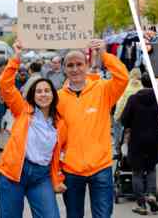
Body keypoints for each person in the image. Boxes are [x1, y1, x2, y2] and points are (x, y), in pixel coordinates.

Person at [57, 39, 129, 218]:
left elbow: (123, 77)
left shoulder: (103, 89)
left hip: (100, 167)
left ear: (87, 65)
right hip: (71, 169)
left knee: (103, 215)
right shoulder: (57, 98)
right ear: (64, 68)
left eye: (79, 64)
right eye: (70, 65)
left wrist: (104, 54)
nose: (75, 69)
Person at [0, 40, 67, 218]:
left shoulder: (60, 122)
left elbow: (61, 153)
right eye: (39, 91)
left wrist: (58, 178)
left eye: (47, 91)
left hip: (41, 177)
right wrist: (16, 57)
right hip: (14, 174)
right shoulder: (23, 110)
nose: (43, 94)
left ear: (54, 94)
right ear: (32, 95)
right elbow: (5, 85)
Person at [121, 72, 158, 215]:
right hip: (154, 139)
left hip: (137, 139)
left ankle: (141, 204)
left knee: (137, 172)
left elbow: (124, 119)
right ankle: (151, 194)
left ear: (142, 82)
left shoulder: (133, 99)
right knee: (151, 168)